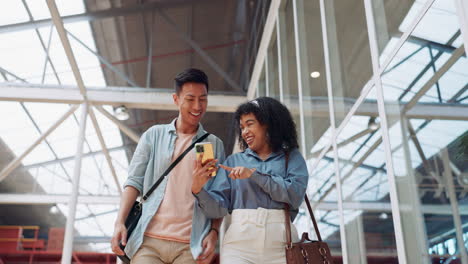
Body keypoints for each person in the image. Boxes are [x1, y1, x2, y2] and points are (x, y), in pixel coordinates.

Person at [111, 68, 225, 264]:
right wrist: (119, 222)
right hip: (149, 242)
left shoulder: (213, 144)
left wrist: (214, 232)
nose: (197, 106)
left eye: (203, 99)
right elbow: (134, 182)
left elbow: (219, 198)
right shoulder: (153, 135)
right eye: (190, 99)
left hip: (191, 246)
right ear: (176, 99)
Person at [192, 97, 309, 264]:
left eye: (250, 124)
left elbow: (295, 195)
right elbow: (217, 211)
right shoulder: (233, 161)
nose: (244, 131)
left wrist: (254, 175)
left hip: (283, 243)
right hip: (239, 244)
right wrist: (198, 190)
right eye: (242, 127)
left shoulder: (292, 157)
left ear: (268, 123)